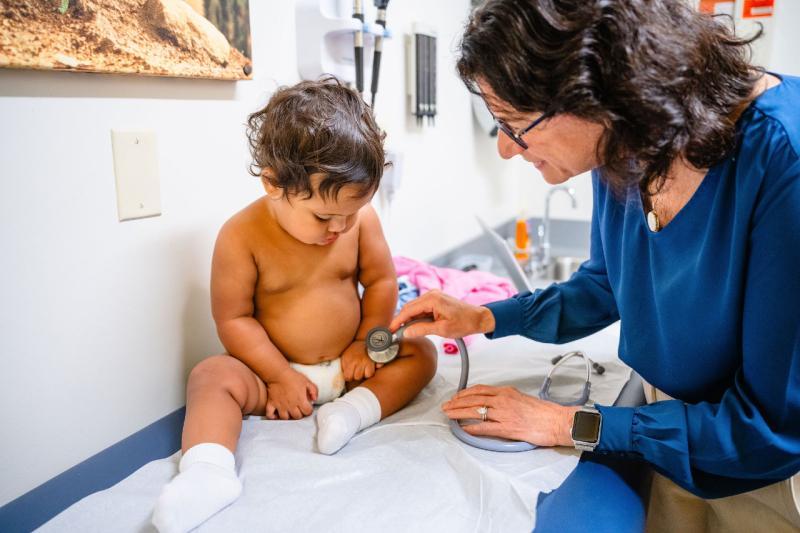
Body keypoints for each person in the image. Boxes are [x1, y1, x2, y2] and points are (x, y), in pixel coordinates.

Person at [391, 1, 800, 531]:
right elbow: (609, 283)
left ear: (593, 95)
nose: (506, 149)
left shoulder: (781, 160)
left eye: (513, 125)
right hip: (675, 442)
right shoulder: (627, 143)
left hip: (767, 472)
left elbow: (769, 429)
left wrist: (568, 423)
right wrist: (485, 318)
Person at [152, 77, 437, 533]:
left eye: (351, 213)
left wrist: (367, 340)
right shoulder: (240, 236)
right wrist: (278, 376)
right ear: (273, 184)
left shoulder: (357, 223)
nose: (340, 228)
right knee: (211, 376)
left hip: (352, 365)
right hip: (278, 376)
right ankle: (208, 471)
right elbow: (234, 318)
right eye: (325, 216)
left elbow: (382, 279)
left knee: (422, 352)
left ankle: (353, 411)